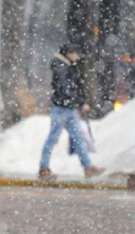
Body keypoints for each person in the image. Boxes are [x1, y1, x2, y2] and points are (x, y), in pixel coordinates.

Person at [38, 44, 105, 180]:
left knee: (77, 138)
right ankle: (44, 168)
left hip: (67, 108)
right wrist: (79, 103)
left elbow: (69, 88)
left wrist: (76, 103)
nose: (77, 57)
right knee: (55, 139)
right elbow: (66, 88)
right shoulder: (61, 67)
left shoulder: (64, 66)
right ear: (69, 53)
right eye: (76, 54)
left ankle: (87, 167)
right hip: (62, 108)